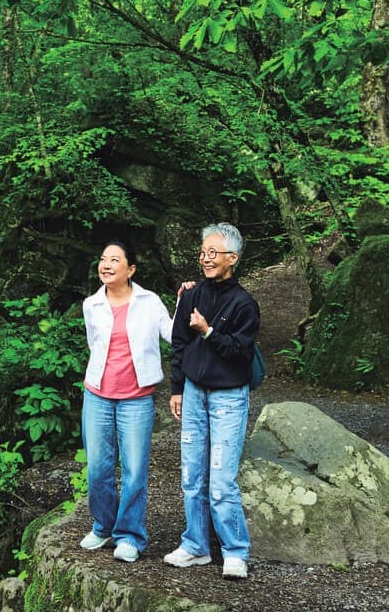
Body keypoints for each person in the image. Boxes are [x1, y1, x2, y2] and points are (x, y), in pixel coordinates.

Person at [164, 222, 261, 580]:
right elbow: (177, 342)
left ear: (232, 258)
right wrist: (176, 387)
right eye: (203, 252)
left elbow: (240, 353)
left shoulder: (245, 304)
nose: (206, 259)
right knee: (191, 475)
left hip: (228, 398)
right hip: (193, 393)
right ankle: (196, 546)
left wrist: (208, 331)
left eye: (213, 253)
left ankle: (236, 551)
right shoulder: (190, 295)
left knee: (221, 480)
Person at [79, 239, 174, 563]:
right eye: (103, 259)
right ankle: (104, 525)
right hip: (97, 397)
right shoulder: (92, 305)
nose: (106, 265)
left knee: (134, 470)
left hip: (136, 400)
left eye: (114, 260)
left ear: (130, 269)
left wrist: (189, 301)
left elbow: (174, 335)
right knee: (98, 469)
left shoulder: (149, 302)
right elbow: (95, 345)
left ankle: (130, 536)